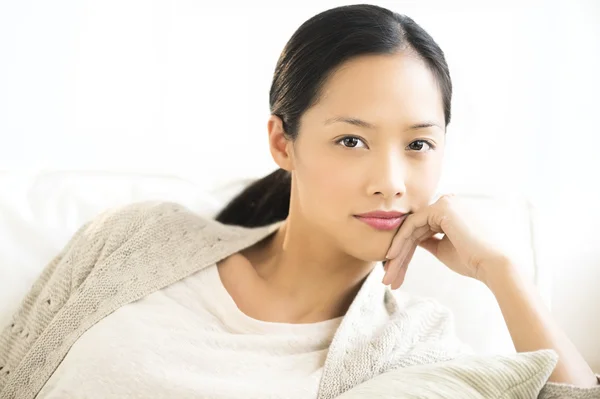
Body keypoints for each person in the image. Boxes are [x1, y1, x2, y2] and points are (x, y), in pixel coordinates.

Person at [1, 4, 599, 399]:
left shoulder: (413, 348)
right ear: (282, 142)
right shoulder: (137, 240)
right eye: (351, 140)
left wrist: (503, 273)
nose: (390, 180)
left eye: (419, 143)